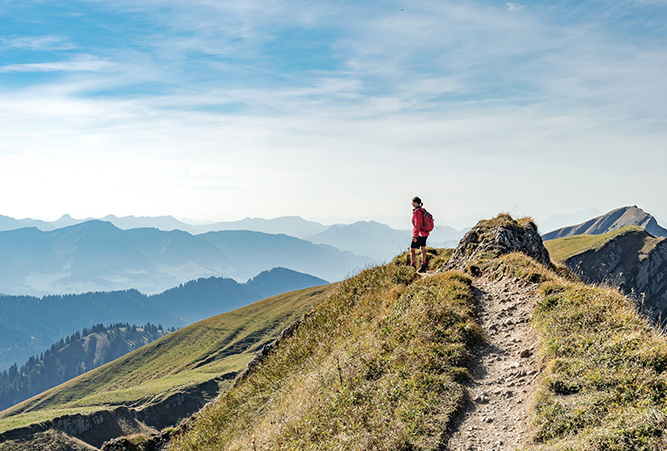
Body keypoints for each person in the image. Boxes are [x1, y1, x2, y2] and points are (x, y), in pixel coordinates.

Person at [410, 196, 429, 273]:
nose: (412, 204)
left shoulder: (417, 211)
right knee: (423, 249)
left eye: (412, 203)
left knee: (412, 249)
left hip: (419, 233)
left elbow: (417, 224)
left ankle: (413, 265)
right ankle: (423, 266)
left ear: (416, 203)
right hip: (425, 232)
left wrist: (415, 236)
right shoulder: (423, 210)